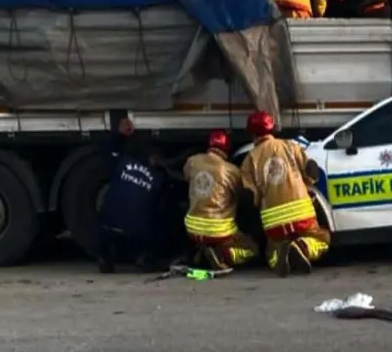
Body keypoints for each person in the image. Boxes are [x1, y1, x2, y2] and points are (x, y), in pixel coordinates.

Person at [241, 110, 330, 277]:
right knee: (322, 239)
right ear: (273, 128)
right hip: (302, 212)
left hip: (273, 219)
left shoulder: (248, 160)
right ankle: (303, 247)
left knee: (271, 254)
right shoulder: (290, 146)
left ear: (252, 133)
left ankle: (281, 255)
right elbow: (311, 174)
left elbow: (250, 196)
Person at [97, 116, 166, 274]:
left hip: (109, 228)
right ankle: (145, 258)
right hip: (137, 234)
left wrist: (119, 135)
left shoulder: (121, 164)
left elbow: (105, 149)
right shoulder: (157, 179)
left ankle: (105, 258)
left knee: (108, 211)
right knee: (156, 216)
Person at [183, 129, 259, 271]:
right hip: (219, 231)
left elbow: (187, 177)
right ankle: (223, 254)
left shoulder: (192, 162)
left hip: (192, 228)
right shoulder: (232, 171)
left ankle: (202, 251)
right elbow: (242, 197)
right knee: (252, 248)